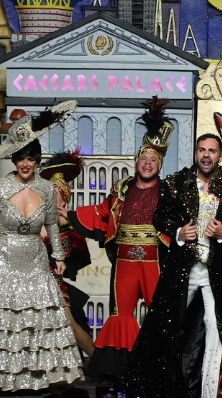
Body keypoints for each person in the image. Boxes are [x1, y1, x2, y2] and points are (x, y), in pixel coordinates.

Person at [126, 133, 222, 398]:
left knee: (215, 324)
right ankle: (165, 385)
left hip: (218, 268)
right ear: (195, 153)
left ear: (220, 156)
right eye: (202, 150)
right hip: (183, 267)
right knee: (169, 323)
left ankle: (210, 391)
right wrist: (178, 232)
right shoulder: (175, 183)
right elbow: (159, 217)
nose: (206, 155)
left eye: (212, 151)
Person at [0, 102, 85, 392]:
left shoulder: (46, 188)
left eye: (30, 158)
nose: (25, 164)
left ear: (37, 159)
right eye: (20, 158)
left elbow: (53, 225)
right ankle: (1, 376)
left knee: (35, 317)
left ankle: (35, 376)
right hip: (3, 256)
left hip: (34, 256)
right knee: (3, 316)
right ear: (14, 159)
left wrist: (58, 256)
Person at [72, 100, 174, 362]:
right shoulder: (122, 188)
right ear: (136, 161)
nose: (148, 163)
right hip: (125, 260)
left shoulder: (168, 191)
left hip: (155, 260)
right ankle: (119, 367)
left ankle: (159, 368)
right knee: (120, 313)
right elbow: (102, 212)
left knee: (160, 314)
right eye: (144, 159)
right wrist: (69, 215)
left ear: (160, 165)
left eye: (153, 160)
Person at [39, 151, 96, 358]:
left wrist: (63, 223)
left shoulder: (68, 224)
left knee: (69, 324)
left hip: (52, 282)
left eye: (54, 191)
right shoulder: (36, 219)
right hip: (29, 281)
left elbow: (66, 255)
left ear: (63, 196)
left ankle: (98, 364)